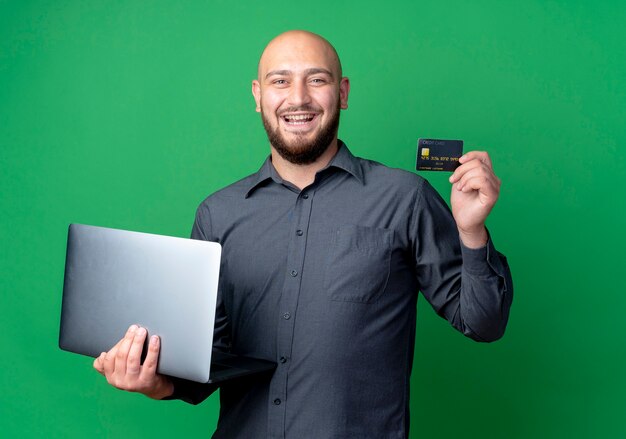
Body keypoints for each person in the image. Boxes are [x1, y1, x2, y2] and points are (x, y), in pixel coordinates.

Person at [93, 30, 513, 438]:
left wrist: (471, 230)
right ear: (258, 96)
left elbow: (482, 322)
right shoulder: (217, 214)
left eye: (317, 79)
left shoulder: (405, 198)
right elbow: (207, 363)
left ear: (342, 93)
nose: (298, 98)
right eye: (280, 81)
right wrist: (155, 381)